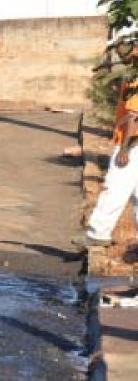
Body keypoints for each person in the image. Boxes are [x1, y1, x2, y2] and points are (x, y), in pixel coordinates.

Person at [72, 43, 138, 249]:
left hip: (132, 144)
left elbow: (134, 117)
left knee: (114, 187)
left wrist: (125, 149)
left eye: (122, 52)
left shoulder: (136, 77)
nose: (120, 57)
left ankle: (98, 233)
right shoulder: (131, 74)